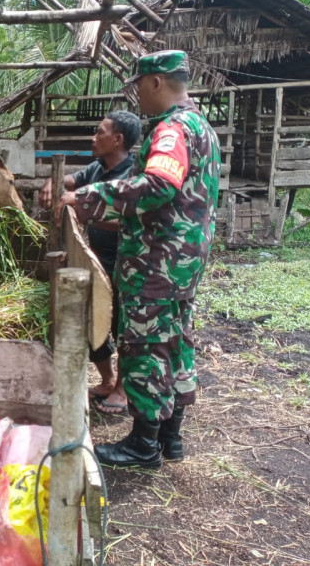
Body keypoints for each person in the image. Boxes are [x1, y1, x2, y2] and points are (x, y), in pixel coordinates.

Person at [58, 50, 221, 468]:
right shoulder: (202, 126)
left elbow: (156, 186)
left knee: (144, 346)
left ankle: (142, 444)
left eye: (138, 87)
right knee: (175, 341)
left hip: (157, 261)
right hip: (183, 261)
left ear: (156, 83)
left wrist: (87, 198)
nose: (136, 97)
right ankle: (170, 436)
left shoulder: (172, 129)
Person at [39, 110, 142, 416]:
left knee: (122, 325)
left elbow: (125, 219)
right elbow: (72, 180)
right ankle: (108, 379)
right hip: (95, 256)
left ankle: (123, 390)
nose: (92, 138)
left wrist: (85, 209)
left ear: (118, 139)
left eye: (99, 133)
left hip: (125, 261)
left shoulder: (133, 176)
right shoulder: (98, 167)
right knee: (91, 319)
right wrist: (53, 181)